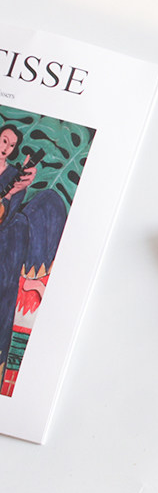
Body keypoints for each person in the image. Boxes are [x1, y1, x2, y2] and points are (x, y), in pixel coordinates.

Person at [0, 122, 68, 376]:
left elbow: (5, 219)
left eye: (11, 145)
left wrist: (14, 192)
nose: (6, 147)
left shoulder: (14, 176)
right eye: (4, 140)